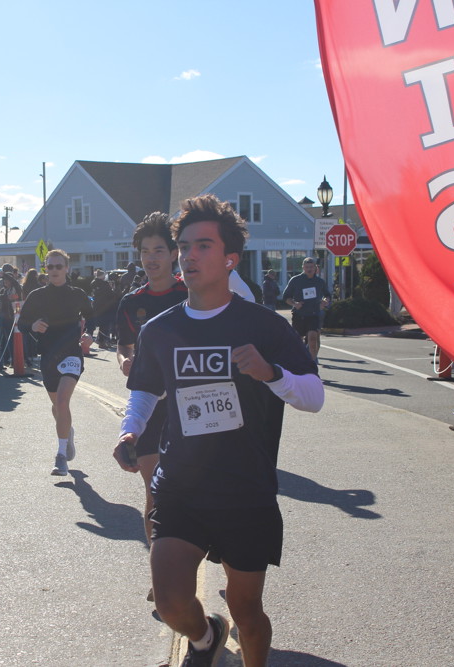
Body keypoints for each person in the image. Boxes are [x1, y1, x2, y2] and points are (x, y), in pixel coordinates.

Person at [115, 194, 324, 667]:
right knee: (169, 600)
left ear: (230, 258)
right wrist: (131, 431)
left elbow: (314, 395)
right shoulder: (160, 330)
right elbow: (145, 389)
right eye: (184, 246)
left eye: (203, 246)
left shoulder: (263, 326)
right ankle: (206, 637)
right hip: (181, 485)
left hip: (244, 489)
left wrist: (271, 374)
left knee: (247, 611)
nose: (188, 255)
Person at [113, 211, 189, 590]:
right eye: (145, 251)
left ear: (174, 254)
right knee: (154, 492)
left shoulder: (190, 294)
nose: (151, 258)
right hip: (148, 409)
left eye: (159, 250)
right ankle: (161, 577)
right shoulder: (131, 302)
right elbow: (123, 346)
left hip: (188, 406)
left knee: (192, 493)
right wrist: (124, 360)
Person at [18, 249, 93, 476]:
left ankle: (61, 456)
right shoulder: (37, 296)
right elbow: (22, 323)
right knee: (57, 406)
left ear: (67, 268)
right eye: (49, 266)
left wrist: (89, 334)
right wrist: (32, 326)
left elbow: (92, 316)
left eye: (58, 266)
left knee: (62, 401)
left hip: (71, 354)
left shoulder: (77, 294)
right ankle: (67, 432)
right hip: (48, 356)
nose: (54, 270)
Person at [282, 257, 331, 361]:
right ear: (303, 268)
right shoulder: (295, 280)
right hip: (299, 315)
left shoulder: (319, 282)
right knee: (298, 342)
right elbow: (286, 297)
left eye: (311, 267)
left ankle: (312, 364)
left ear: (315, 268)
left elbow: (327, 295)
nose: (309, 269)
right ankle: (299, 361)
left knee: (313, 339)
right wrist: (295, 304)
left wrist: (325, 301)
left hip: (313, 314)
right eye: (307, 267)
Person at [90, 268, 118, 349]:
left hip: (96, 305)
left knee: (96, 324)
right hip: (105, 306)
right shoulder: (105, 284)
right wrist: (112, 289)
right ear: (102, 276)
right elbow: (111, 294)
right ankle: (102, 341)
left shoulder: (93, 283)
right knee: (105, 325)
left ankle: (94, 339)